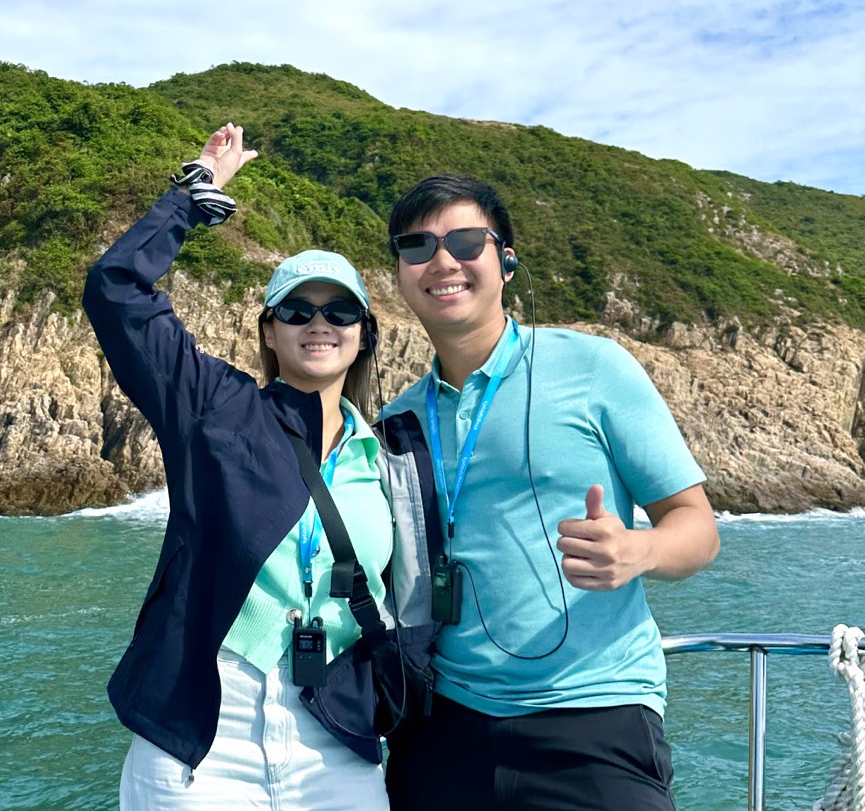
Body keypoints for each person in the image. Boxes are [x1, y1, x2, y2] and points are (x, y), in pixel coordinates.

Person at [377, 173, 720, 810]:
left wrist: (638, 551)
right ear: (399, 274)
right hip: (441, 723)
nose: (443, 261)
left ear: (505, 262)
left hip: (596, 716)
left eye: (467, 241)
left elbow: (697, 526)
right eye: (417, 246)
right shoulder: (397, 421)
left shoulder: (595, 367)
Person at [83, 123, 393, 810]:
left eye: (340, 309)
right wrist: (194, 195)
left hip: (337, 737)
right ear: (269, 330)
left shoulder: (392, 458)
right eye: (298, 309)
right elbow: (116, 291)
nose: (320, 322)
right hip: (202, 734)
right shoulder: (215, 409)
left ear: (365, 333)